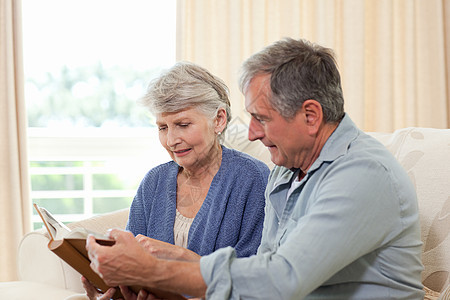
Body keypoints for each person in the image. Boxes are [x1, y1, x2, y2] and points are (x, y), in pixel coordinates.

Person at [85, 38, 424, 299]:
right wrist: (149, 268)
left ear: (311, 116)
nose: (251, 133)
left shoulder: (362, 175)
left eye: (262, 118)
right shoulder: (288, 170)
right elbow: (258, 268)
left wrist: (154, 271)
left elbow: (280, 279)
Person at [82, 61, 270, 299]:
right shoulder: (154, 181)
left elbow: (256, 282)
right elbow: (131, 266)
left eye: (183, 125)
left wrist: (180, 258)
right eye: (162, 127)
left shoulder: (254, 179)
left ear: (219, 120)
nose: (171, 140)